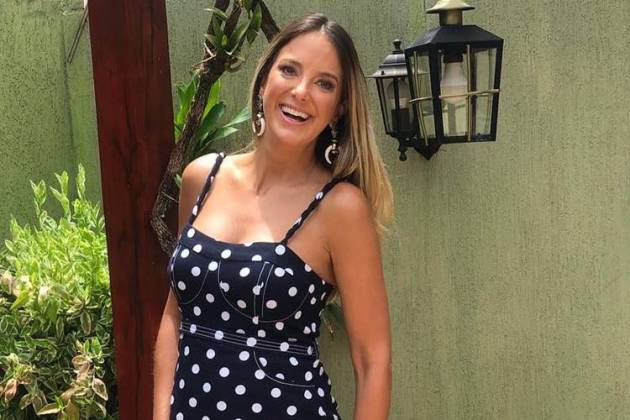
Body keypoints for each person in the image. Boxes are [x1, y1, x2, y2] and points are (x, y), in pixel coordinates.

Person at [153, 13, 393, 420]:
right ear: (265, 79)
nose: (301, 92)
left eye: (324, 84)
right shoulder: (201, 178)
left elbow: (373, 361)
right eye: (289, 70)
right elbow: (174, 317)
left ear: (338, 110)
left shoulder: (340, 208)